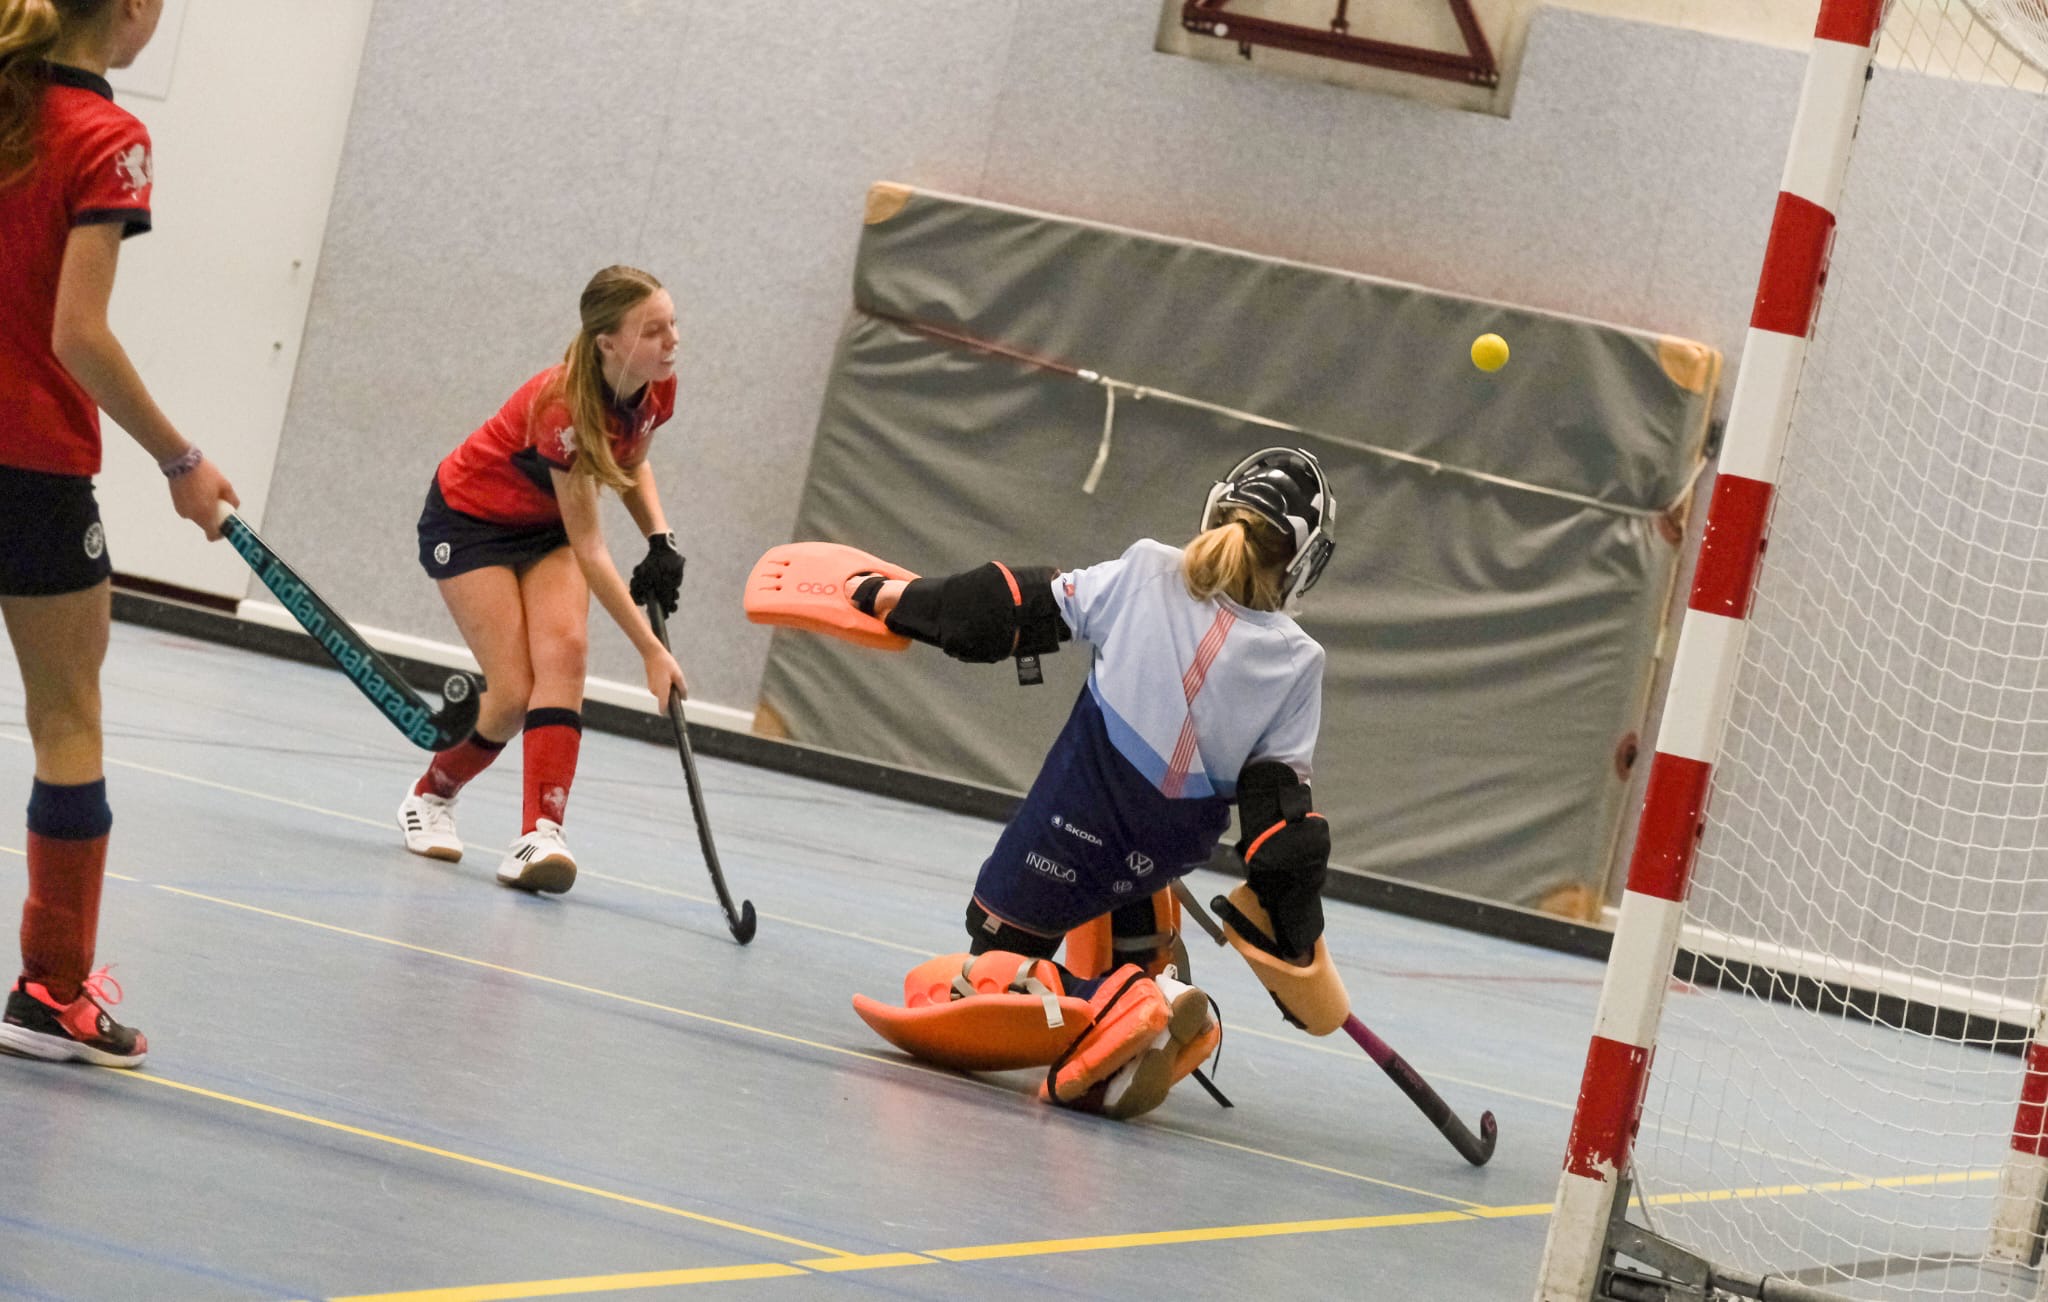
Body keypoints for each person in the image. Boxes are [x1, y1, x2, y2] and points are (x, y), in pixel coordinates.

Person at [785, 447, 1338, 1119]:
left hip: (1078, 819)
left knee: (988, 968)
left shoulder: (1149, 571)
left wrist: (892, 599)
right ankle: (1146, 998)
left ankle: (1122, 1002)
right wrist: (1294, 933)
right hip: (1166, 851)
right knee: (1126, 884)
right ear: (1304, 559)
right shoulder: (1300, 661)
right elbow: (1281, 825)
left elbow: (1009, 609)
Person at [0, 0, 238, 1068]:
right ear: (134, 10)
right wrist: (182, 462)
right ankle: (53, 991)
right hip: (33, 470)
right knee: (68, 719)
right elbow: (78, 334)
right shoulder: (108, 137)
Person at [395, 265, 689, 896]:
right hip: (471, 523)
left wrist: (660, 538)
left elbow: (632, 459)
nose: (672, 341)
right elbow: (591, 548)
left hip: (545, 526)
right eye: (653, 331)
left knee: (567, 654)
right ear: (607, 342)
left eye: (673, 324)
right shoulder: (563, 407)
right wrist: (650, 650)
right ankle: (430, 797)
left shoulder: (655, 386)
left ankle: (541, 833)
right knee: (510, 696)